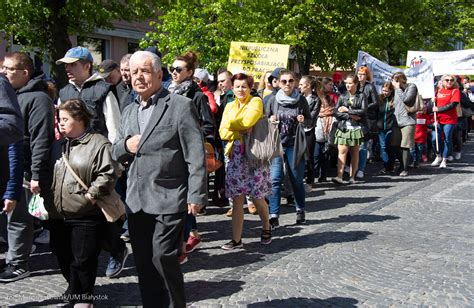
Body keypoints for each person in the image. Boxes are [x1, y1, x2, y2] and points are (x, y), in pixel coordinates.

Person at [113, 50, 207, 307]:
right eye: (134, 72)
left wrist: (196, 194)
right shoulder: (130, 109)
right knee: (143, 262)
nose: (139, 77)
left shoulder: (180, 106)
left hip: (169, 195)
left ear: (158, 73)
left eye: (144, 71)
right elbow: (115, 149)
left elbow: (195, 154)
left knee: (163, 256)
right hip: (136, 199)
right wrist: (125, 145)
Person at [56, 46, 127, 278]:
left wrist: (114, 162)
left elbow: (115, 130)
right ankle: (86, 262)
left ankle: (117, 249)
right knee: (80, 215)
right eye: (66, 65)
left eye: (73, 64)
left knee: (103, 212)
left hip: (99, 162)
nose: (68, 69)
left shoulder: (103, 90)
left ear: (87, 65)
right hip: (73, 163)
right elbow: (59, 127)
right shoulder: (64, 92)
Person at [49, 99, 118, 306]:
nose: (60, 124)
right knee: (62, 254)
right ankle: (74, 289)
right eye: (59, 119)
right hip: (58, 212)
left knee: (83, 259)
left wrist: (92, 194)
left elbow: (109, 172)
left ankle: (84, 297)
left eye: (64, 119)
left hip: (87, 213)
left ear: (79, 119)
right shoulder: (58, 144)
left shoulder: (98, 143)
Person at [0, 52, 54, 282]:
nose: (3, 72)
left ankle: (19, 262)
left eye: (9, 69)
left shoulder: (38, 99)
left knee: (18, 217)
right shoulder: (10, 94)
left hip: (23, 167)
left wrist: (35, 173)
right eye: (3, 67)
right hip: (9, 166)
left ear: (24, 73)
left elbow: (41, 138)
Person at [168, 51, 215, 261]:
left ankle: (183, 244)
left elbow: (209, 126)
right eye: (171, 69)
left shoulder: (197, 96)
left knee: (185, 198)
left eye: (178, 69)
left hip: (189, 154)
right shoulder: (168, 92)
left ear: (189, 72)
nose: (174, 73)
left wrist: (191, 139)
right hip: (171, 153)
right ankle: (192, 234)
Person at [218, 73, 272, 249]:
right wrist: (239, 128)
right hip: (235, 155)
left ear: (250, 88)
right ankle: (236, 239)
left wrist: (233, 125)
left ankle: (266, 227)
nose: (240, 89)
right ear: (232, 88)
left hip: (254, 155)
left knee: (257, 197)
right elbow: (222, 132)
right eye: (237, 86)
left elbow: (248, 121)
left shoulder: (256, 102)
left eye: (244, 86)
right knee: (237, 199)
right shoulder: (229, 105)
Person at [266, 69, 311, 228]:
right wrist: (270, 120)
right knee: (275, 179)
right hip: (277, 144)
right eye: (284, 81)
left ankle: (300, 210)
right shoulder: (272, 100)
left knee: (296, 180)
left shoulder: (301, 101)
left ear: (295, 83)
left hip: (295, 144)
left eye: (290, 81)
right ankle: (273, 215)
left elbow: (310, 120)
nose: (287, 84)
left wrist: (303, 120)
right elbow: (263, 120)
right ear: (278, 82)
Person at [332, 74, 367, 184]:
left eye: (350, 83)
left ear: (356, 83)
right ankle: (339, 177)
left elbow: (363, 111)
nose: (347, 85)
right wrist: (350, 115)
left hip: (356, 128)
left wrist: (347, 110)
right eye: (346, 83)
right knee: (342, 151)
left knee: (354, 153)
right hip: (343, 127)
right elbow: (336, 112)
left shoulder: (362, 96)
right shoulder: (342, 96)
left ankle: (352, 177)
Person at [431, 74, 460, 168]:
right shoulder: (438, 91)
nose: (449, 82)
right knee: (435, 138)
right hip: (438, 119)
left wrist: (438, 109)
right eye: (447, 80)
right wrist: (433, 101)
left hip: (450, 120)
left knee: (447, 139)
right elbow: (432, 106)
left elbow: (453, 104)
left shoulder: (455, 91)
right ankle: (438, 156)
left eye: (451, 80)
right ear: (442, 81)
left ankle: (444, 159)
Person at [391, 72, 417, 176]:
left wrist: (398, 89)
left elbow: (407, 100)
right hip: (397, 120)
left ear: (401, 80)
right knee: (394, 144)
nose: (394, 83)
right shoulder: (395, 89)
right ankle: (402, 164)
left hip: (408, 120)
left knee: (405, 145)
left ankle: (405, 169)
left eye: (396, 80)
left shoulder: (411, 87)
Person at [298, 75, 320, 190]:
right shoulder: (298, 97)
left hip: (308, 130)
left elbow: (312, 116)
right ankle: (298, 179)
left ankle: (309, 181)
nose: (299, 86)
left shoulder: (316, 99)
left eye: (301, 84)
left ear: (308, 86)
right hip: (297, 131)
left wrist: (304, 119)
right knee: (298, 156)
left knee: (309, 156)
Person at [357, 66, 379, 178]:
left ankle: (361, 168)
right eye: (359, 73)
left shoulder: (370, 87)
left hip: (367, 119)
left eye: (363, 74)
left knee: (363, 145)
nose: (360, 76)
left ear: (367, 76)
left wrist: (364, 107)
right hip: (355, 118)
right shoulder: (354, 86)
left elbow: (376, 103)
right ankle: (353, 167)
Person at [314, 79, 336, 183]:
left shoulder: (330, 100)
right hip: (318, 133)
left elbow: (332, 113)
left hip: (327, 133)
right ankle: (314, 174)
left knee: (326, 156)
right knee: (316, 155)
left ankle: (323, 176)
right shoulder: (318, 100)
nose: (332, 86)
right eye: (330, 84)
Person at [376, 82, 397, 174]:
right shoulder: (379, 98)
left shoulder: (394, 99)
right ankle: (386, 166)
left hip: (391, 127)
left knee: (390, 147)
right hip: (381, 127)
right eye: (383, 90)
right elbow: (376, 111)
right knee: (383, 147)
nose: (384, 92)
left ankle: (391, 166)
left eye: (386, 91)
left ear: (391, 91)